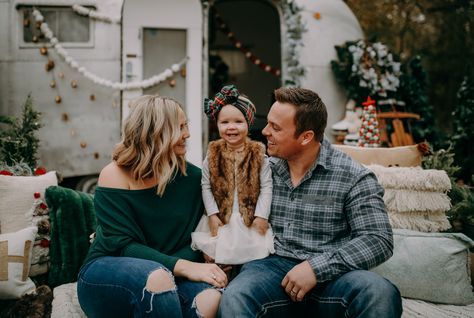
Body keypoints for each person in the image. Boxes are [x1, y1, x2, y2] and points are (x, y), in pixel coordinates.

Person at [219, 87, 403, 317]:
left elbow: (378, 239)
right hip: (270, 270)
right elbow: (230, 207)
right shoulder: (262, 169)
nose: (265, 131)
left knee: (379, 292)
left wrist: (316, 269)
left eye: (275, 127)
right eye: (268, 123)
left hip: (334, 277)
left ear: (306, 136)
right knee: (235, 297)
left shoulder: (353, 176)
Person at [77, 95, 227, 318]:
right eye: (180, 127)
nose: (187, 134)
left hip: (170, 273)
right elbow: (122, 245)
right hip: (108, 272)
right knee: (157, 277)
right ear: (155, 131)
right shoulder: (115, 174)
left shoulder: (194, 177)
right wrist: (186, 266)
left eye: (186, 126)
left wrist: (208, 256)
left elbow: (198, 239)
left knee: (210, 300)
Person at [191, 85, 274, 266]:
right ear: (217, 124)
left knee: (252, 257)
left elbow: (267, 186)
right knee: (219, 257)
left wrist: (261, 215)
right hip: (222, 220)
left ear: (248, 123)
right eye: (225, 122)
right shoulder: (212, 154)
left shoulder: (258, 154)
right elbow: (206, 185)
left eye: (238, 121)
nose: (231, 127)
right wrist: (212, 214)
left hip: (249, 221)